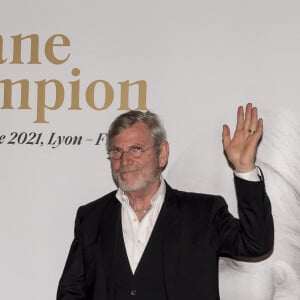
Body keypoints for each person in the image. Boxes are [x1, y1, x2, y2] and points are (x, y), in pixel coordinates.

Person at [56, 103, 274, 300]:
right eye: (116, 152)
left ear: (162, 154)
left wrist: (244, 169)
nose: (125, 160)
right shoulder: (92, 218)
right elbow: (71, 292)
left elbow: (256, 243)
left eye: (136, 150)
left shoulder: (204, 213)